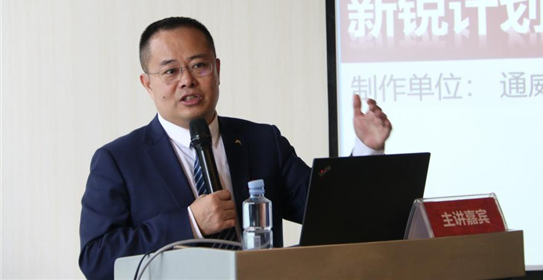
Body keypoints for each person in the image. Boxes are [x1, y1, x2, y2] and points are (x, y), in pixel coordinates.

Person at [79, 17, 392, 279]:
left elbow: (329, 216)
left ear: (217, 69)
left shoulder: (263, 141)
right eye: (171, 71)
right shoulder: (118, 160)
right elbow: (96, 260)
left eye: (199, 65)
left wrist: (365, 149)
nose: (187, 80)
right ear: (148, 84)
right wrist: (190, 223)